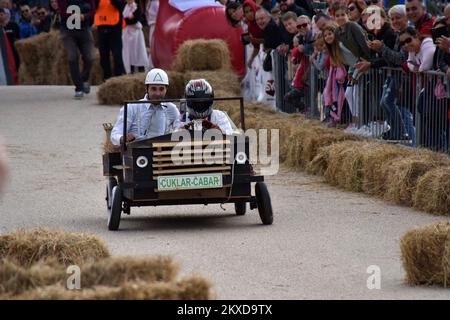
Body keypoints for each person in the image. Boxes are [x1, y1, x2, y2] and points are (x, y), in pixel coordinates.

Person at [111, 68, 180, 145]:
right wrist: (122, 138)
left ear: (166, 89)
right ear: (147, 88)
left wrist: (181, 130)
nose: (158, 93)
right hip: (137, 153)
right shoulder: (132, 108)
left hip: (162, 152)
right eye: (153, 89)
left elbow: (179, 130)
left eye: (161, 89)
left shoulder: (172, 109)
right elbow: (115, 134)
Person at [57, 0, 96, 99]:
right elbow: (63, 12)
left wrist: (84, 16)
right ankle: (79, 88)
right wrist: (76, 15)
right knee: (72, 57)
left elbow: (93, 11)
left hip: (84, 29)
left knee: (90, 57)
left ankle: (83, 80)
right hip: (68, 30)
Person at [94, 0, 126, 80]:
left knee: (117, 54)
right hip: (101, 25)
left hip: (115, 26)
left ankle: (118, 79)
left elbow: (122, 6)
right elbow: (93, 6)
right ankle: (106, 79)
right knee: (103, 55)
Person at [122, 0, 149, 74]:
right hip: (127, 33)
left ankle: (141, 69)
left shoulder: (137, 7)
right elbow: (123, 19)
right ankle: (130, 70)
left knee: (139, 51)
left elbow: (136, 19)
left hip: (137, 34)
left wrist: (127, 20)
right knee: (129, 52)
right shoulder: (123, 7)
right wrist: (128, 19)